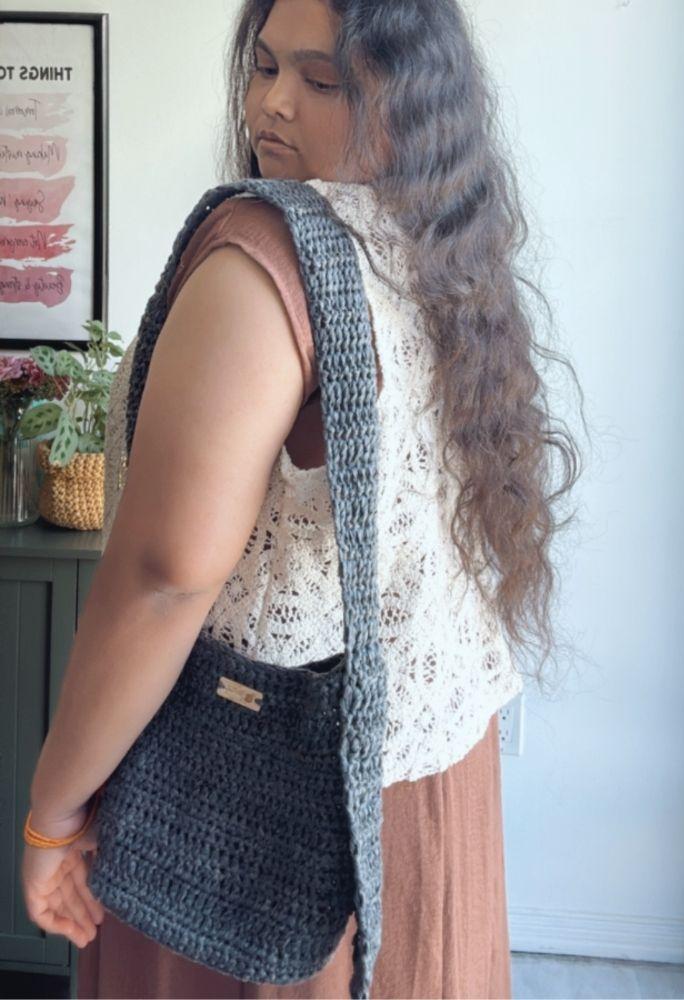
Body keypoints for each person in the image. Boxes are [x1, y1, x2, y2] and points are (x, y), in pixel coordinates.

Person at [21, 0, 584, 997]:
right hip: (425, 791)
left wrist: (53, 809)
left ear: (409, 106)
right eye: (265, 66)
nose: (272, 103)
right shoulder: (442, 254)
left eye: (324, 82)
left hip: (254, 815)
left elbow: (164, 576)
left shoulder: (263, 255)